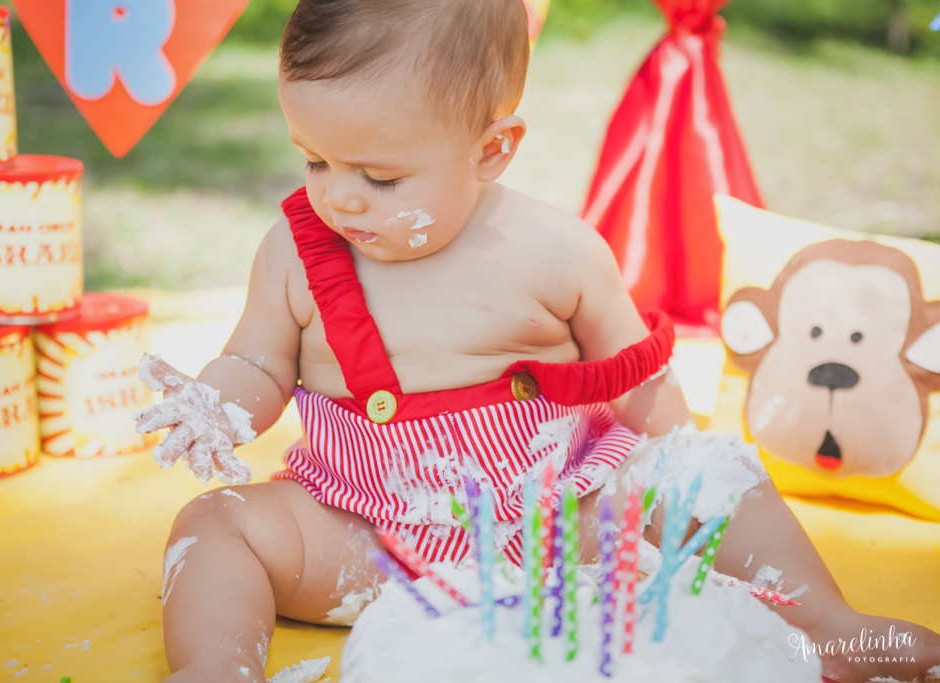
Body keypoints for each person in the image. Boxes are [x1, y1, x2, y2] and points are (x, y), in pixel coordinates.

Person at [135, 1, 940, 681]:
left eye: (378, 177)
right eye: (313, 158)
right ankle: (213, 665)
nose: (339, 197)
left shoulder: (555, 252)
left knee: (709, 472)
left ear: (492, 149)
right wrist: (218, 401)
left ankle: (831, 626)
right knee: (218, 522)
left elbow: (641, 379)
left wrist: (681, 471)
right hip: (363, 535)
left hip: (558, 526)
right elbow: (256, 359)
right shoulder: (294, 253)